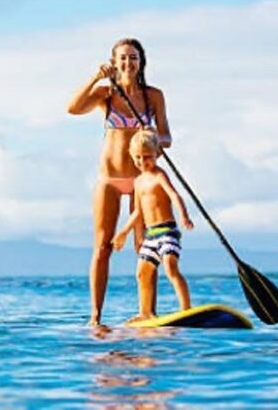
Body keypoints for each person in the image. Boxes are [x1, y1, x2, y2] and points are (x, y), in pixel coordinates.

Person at [67, 38, 172, 326]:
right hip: (110, 179)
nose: (128, 63)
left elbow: (167, 137)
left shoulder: (154, 97)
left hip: (142, 181)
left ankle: (147, 313)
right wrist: (95, 78)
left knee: (146, 246)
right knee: (102, 246)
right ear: (114, 62)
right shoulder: (106, 94)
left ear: (141, 62)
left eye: (133, 57)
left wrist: (153, 140)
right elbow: (73, 109)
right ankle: (96, 317)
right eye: (123, 58)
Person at [112, 129, 194, 321]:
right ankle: (145, 312)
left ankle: (186, 308)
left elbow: (174, 195)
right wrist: (123, 233)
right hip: (150, 235)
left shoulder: (159, 175)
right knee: (142, 272)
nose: (142, 162)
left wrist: (184, 216)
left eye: (147, 157)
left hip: (167, 231)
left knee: (170, 266)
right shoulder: (138, 182)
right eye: (138, 158)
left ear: (158, 154)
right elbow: (138, 213)